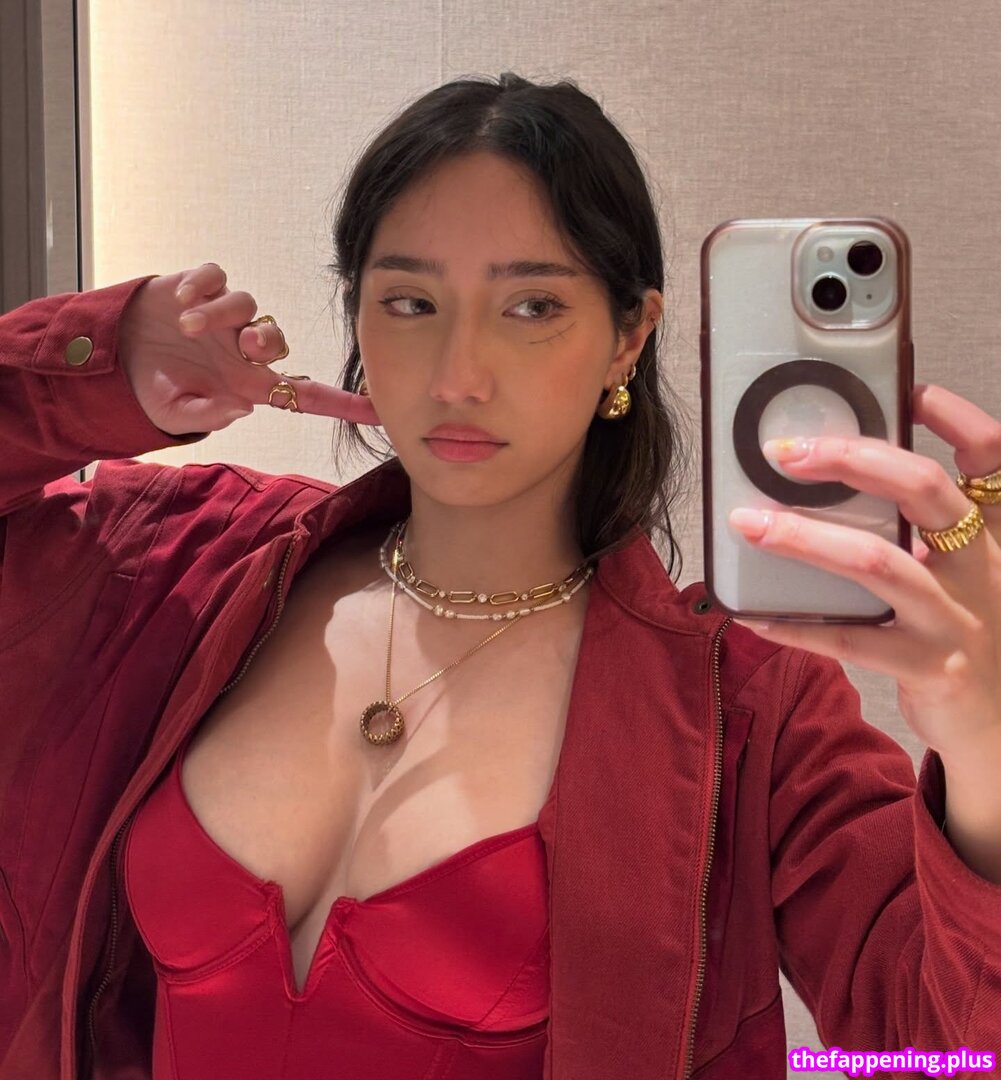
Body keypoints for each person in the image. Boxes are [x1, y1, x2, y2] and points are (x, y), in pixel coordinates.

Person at [1, 71, 999, 1080]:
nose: (457, 375)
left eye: (531, 306)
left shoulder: (744, 715)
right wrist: (103, 365)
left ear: (627, 337)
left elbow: (951, 1046)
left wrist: (986, 737)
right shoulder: (184, 559)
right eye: (409, 302)